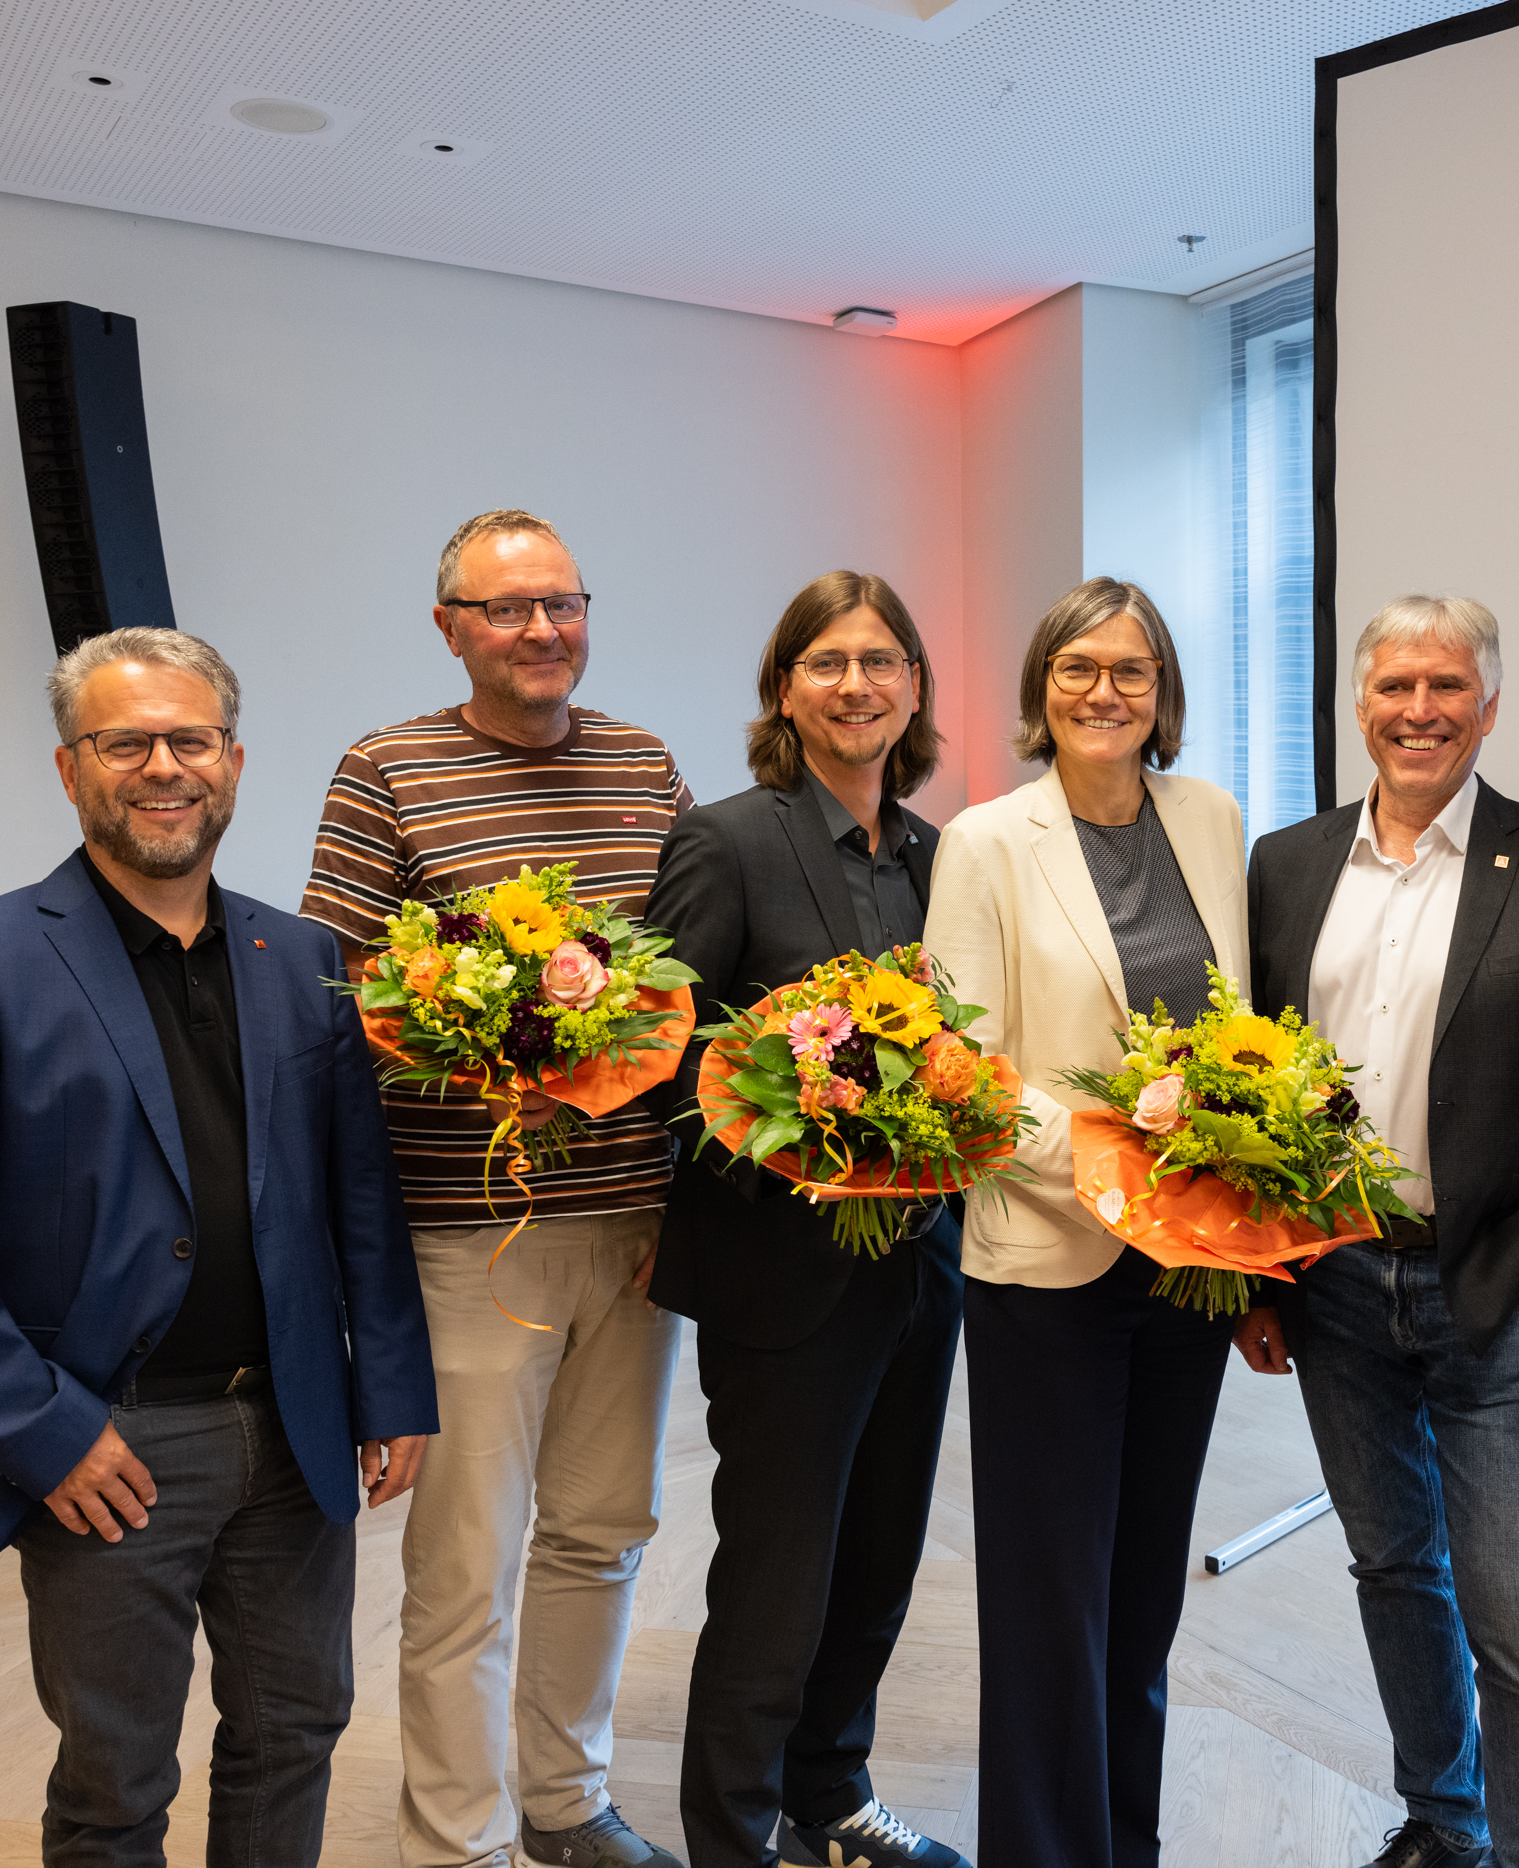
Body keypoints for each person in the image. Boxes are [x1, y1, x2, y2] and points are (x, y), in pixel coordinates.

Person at [0, 626, 438, 1867]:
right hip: (110, 1441)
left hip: (296, 1426)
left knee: (297, 1729)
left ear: (233, 761)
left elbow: (360, 1199)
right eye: (126, 743)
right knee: (116, 1780)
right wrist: (42, 1429)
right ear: (71, 768)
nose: (164, 767)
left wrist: (391, 1385)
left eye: (191, 739)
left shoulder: (302, 956)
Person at [1234, 596, 1519, 1868]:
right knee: (1391, 1567)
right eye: (1394, 686)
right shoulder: (1287, 864)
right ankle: (1444, 1819)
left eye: (1446, 686)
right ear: (1358, 703)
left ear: (1488, 705)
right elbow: (1244, 1079)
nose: (1418, 710)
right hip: (1333, 1283)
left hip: (1494, 1290)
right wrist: (1261, 1272)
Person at [302, 510, 692, 1868]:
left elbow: (687, 982)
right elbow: (331, 995)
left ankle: (566, 1801)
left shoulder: (645, 765)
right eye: (508, 608)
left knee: (603, 1531)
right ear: (449, 627)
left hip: (636, 1223)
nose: (542, 630)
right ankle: (455, 1839)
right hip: (470, 1233)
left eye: (562, 603)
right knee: (467, 1556)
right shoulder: (388, 771)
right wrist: (475, 1048)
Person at [640, 571, 969, 1868]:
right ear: (784, 689)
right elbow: (665, 1059)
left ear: (915, 687)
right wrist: (802, 1134)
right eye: (826, 661)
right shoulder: (726, 842)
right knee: (775, 1586)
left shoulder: (943, 858)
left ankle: (830, 1796)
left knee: (881, 1562)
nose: (855, 684)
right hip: (783, 1278)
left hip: (921, 1272)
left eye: (881, 660)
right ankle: (731, 1839)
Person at [922, 577, 1249, 1868]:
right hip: (1049, 1259)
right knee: (1050, 1597)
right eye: (1077, 668)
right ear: (1040, 689)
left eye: (1130, 669)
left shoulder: (1210, 818)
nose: (1104, 691)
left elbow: (1236, 1028)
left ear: (1162, 692)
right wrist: (1116, 1163)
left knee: (1144, 1587)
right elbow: (960, 1071)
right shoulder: (986, 842)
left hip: (1190, 1264)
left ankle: (1124, 1843)